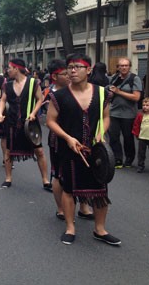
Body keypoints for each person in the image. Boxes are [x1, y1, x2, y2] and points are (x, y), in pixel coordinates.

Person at [47, 53, 120, 246]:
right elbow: (50, 122)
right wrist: (68, 138)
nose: (72, 70)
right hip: (70, 149)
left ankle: (100, 229)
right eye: (70, 67)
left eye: (77, 67)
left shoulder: (102, 93)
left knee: (100, 190)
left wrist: (101, 132)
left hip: (96, 151)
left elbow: (105, 117)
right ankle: (70, 227)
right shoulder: (59, 95)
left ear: (89, 70)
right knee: (69, 189)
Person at [45, 59, 93, 221]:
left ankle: (84, 206)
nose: (69, 74)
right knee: (59, 175)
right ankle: (61, 208)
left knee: (84, 172)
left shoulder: (87, 91)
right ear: (55, 76)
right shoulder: (54, 94)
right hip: (59, 140)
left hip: (83, 139)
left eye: (73, 70)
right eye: (65, 72)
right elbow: (50, 119)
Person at [0, 58, 50, 190]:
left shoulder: (33, 83)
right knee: (8, 151)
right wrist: (0, 114)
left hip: (30, 124)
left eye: (9, 68)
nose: (7, 70)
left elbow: (40, 99)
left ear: (16, 68)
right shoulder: (7, 85)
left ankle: (45, 179)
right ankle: (8, 178)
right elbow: (3, 100)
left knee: (39, 151)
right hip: (12, 122)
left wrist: (33, 113)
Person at [108, 57, 142, 168]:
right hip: (114, 112)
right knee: (113, 137)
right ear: (118, 67)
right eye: (121, 65)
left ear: (129, 66)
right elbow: (111, 93)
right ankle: (118, 159)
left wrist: (119, 92)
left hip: (128, 114)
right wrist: (111, 93)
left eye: (126, 65)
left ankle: (129, 158)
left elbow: (136, 97)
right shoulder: (114, 78)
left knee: (128, 137)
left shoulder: (134, 79)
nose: (123, 67)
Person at [132, 97, 149, 173]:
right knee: (141, 153)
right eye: (144, 105)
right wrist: (136, 134)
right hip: (142, 137)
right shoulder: (140, 115)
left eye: (147, 105)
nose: (145, 107)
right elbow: (136, 125)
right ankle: (140, 165)